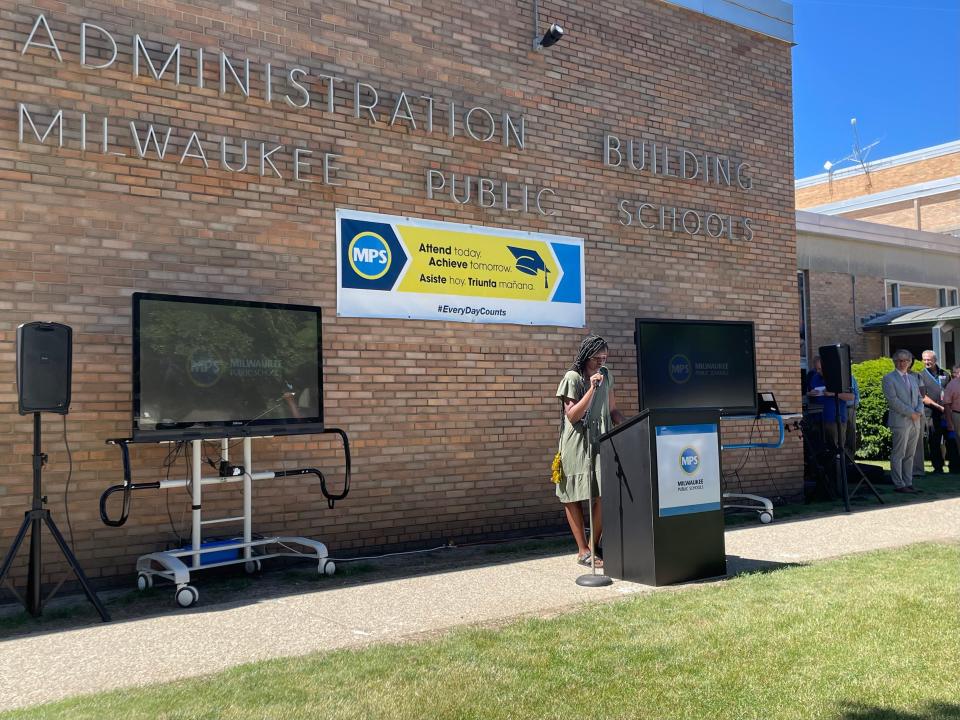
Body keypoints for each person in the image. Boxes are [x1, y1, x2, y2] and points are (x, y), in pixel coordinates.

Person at [555, 334, 625, 567]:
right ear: (586, 356)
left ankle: (595, 545)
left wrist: (630, 426)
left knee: (604, 492)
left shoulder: (606, 376)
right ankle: (582, 550)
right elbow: (573, 415)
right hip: (576, 442)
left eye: (604, 357)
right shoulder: (572, 378)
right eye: (597, 357)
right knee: (572, 495)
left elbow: (613, 409)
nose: (601, 362)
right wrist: (592, 389)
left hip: (600, 440)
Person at [881, 349, 924, 493]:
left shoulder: (913, 378)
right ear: (894, 362)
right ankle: (899, 484)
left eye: (905, 360)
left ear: (910, 362)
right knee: (898, 453)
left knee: (910, 454)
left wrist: (918, 411)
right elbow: (893, 401)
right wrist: (911, 413)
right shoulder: (889, 378)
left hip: (915, 421)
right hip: (900, 421)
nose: (902, 363)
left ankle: (908, 482)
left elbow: (919, 398)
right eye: (899, 360)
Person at [917, 350, 958, 474]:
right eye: (924, 359)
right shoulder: (920, 376)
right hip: (931, 414)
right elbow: (923, 396)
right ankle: (938, 467)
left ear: (935, 360)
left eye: (929, 359)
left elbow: (951, 391)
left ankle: (955, 466)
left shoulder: (945, 374)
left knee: (951, 440)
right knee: (934, 441)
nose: (926, 362)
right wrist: (940, 407)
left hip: (947, 414)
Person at [806, 355, 854, 451]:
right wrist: (810, 393)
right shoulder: (815, 377)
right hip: (818, 419)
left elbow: (851, 397)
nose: (818, 371)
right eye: (816, 369)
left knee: (837, 449)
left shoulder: (839, 377)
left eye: (820, 369)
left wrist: (832, 394)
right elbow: (809, 391)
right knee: (822, 450)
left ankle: (839, 465)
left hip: (835, 419)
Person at [941, 364, 960, 469]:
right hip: (957, 415)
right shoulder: (952, 385)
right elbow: (947, 404)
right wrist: (949, 422)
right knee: (957, 442)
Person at [844, 374, 860, 455]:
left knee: (851, 434)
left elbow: (856, 392)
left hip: (850, 408)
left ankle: (851, 458)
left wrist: (855, 404)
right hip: (841, 408)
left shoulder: (850, 377)